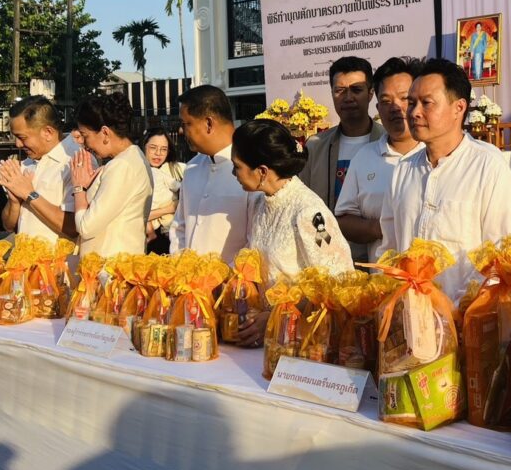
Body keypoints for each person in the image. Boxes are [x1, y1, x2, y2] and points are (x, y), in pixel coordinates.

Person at [378, 58, 511, 299]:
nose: (414, 112)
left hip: (467, 313)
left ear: (459, 108)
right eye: (412, 103)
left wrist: (462, 309)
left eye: (427, 103)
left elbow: (499, 255)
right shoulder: (403, 170)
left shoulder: (486, 165)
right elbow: (389, 249)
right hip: (411, 312)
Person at [232, 119, 353, 347]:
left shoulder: (309, 212)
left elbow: (336, 282)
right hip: (269, 338)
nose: (233, 173)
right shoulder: (260, 204)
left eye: (237, 167)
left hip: (305, 341)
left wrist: (276, 315)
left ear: (262, 171)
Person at [334, 56, 425, 264]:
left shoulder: (435, 155)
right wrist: (380, 227)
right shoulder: (364, 157)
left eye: (404, 98)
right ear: (377, 107)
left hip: (435, 280)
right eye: (386, 101)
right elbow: (343, 220)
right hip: (383, 278)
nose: (395, 107)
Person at [170, 85, 259, 263]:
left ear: (209, 124)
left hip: (232, 278)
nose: (181, 131)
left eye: (186, 124)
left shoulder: (253, 168)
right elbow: (180, 226)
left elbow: (255, 239)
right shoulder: (192, 167)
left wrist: (225, 277)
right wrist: (181, 267)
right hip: (187, 276)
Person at [69, 93, 153, 257]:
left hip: (112, 265)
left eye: (85, 136)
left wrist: (78, 188)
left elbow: (86, 227)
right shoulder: (129, 159)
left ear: (105, 133)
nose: (84, 143)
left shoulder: (122, 166)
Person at [300, 57, 384, 217]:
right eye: (340, 90)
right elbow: (302, 202)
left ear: (371, 93)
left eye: (356, 90)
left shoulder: (388, 141)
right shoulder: (315, 147)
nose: (348, 97)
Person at [0, 96, 85, 243]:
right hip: (23, 255)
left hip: (59, 257)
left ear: (48, 132)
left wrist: (29, 194)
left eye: (22, 137)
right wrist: (14, 201)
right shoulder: (27, 163)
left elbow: (73, 227)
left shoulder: (77, 160)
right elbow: (8, 226)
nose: (18, 144)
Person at [142, 128, 185, 254]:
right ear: (144, 147)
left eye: (164, 149)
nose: (158, 153)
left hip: (176, 237)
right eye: (153, 148)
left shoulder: (180, 169)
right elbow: (136, 214)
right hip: (145, 239)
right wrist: (169, 209)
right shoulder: (135, 172)